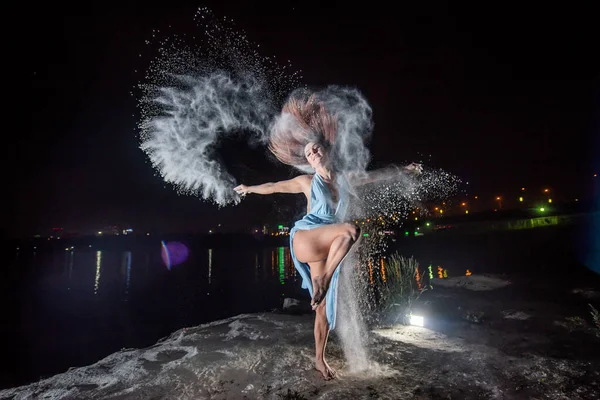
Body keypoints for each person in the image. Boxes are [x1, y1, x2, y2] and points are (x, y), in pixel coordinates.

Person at [234, 93, 421, 380]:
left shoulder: (346, 180)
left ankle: (319, 361)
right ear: (307, 160)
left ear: (326, 150)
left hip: (328, 245)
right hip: (307, 238)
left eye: (316, 149)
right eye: (308, 153)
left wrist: (404, 170)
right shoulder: (306, 181)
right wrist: (249, 188)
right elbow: (273, 186)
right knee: (351, 230)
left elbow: (379, 174)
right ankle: (323, 279)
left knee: (321, 309)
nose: (313, 154)